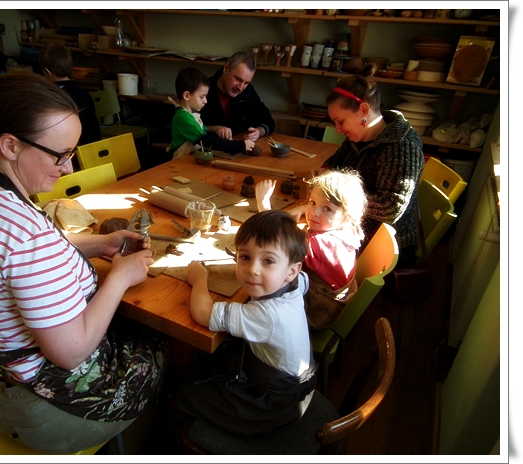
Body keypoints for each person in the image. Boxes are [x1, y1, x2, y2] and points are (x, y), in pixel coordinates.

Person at [0, 73, 168, 454]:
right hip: (39, 410)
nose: (69, 168)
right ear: (10, 145)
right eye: (60, 155)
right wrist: (120, 277)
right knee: (160, 347)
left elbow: (16, 261)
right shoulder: (25, 235)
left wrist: (99, 243)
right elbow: (71, 351)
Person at [176, 210, 317, 436]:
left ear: (291, 271)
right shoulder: (297, 281)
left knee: (186, 389)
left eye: (268, 261)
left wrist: (199, 279)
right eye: (245, 257)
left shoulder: (266, 316)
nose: (253, 270)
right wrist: (269, 271)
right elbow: (299, 279)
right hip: (296, 383)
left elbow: (202, 313)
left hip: (273, 404)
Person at [322, 63, 424, 268]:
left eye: (340, 121)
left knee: (306, 253)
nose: (338, 130)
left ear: (364, 109)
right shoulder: (358, 137)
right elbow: (333, 163)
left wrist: (336, 195)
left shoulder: (400, 146)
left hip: (384, 245)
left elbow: (390, 208)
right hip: (353, 227)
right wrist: (326, 175)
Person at [255, 170, 367, 329]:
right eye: (312, 202)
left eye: (327, 208)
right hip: (333, 304)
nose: (314, 213)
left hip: (315, 315)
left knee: (258, 283)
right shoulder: (348, 228)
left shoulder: (322, 243)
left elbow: (278, 239)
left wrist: (263, 203)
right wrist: (303, 208)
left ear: (345, 217)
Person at [169, 66, 255, 157]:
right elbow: (206, 141)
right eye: (202, 97)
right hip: (181, 159)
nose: (205, 101)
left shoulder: (190, 114)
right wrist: (241, 146)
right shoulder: (184, 117)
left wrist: (217, 131)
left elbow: (206, 134)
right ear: (187, 95)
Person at [199, 51, 275, 143]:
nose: (241, 87)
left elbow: (268, 121)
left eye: (246, 83)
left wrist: (258, 132)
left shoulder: (248, 92)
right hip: (207, 148)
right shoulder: (201, 91)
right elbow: (188, 128)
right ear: (226, 68)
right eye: (238, 79)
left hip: (239, 148)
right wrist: (214, 129)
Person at [38, 43, 102, 146]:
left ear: (47, 72)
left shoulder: (53, 96)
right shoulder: (83, 93)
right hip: (94, 149)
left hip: (74, 151)